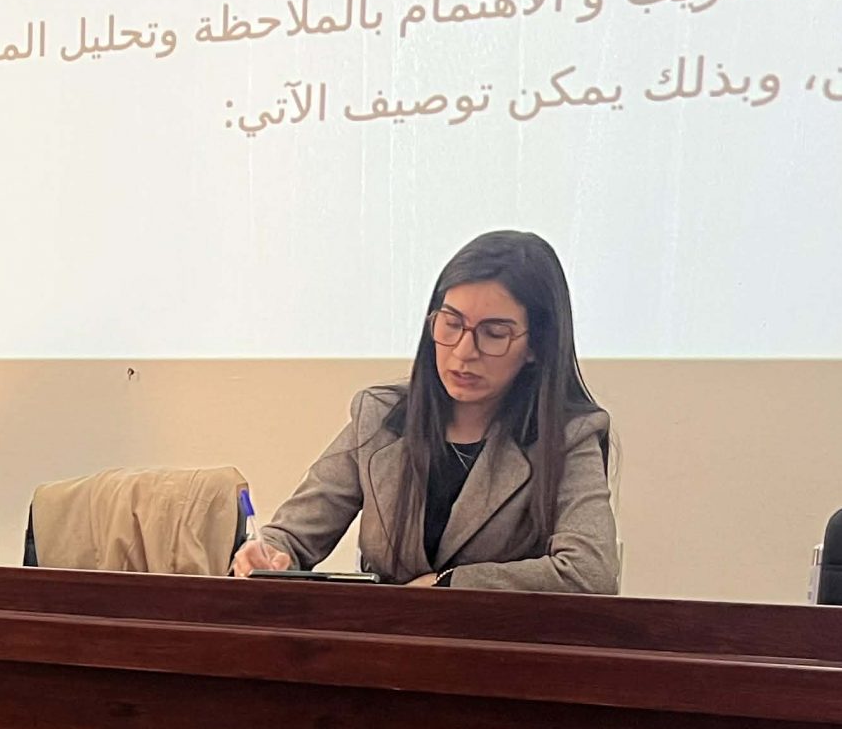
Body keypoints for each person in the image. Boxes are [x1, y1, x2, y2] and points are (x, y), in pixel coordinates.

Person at [234, 230, 618, 591]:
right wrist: (268, 553)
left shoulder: (567, 436)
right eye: (451, 324)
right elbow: (293, 535)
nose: (463, 352)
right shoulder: (379, 416)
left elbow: (589, 572)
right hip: (385, 635)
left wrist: (448, 584)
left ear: (537, 346)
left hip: (497, 638)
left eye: (494, 334)